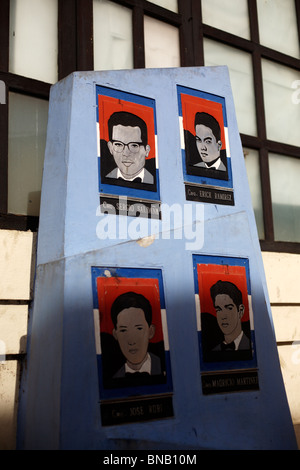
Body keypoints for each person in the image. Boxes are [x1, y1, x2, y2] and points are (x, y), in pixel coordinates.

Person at [111, 291, 162, 377]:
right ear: (115, 334)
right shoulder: (115, 377)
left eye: (139, 329)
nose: (132, 341)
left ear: (151, 331)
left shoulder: (164, 366)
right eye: (123, 330)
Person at [105, 111, 154, 184]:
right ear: (110, 147)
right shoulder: (105, 180)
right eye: (118, 144)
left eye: (134, 145)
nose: (126, 153)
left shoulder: (155, 180)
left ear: (146, 150)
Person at [210, 280, 251, 351]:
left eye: (229, 308)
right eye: (218, 310)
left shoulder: (250, 346)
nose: (223, 316)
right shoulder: (214, 351)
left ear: (240, 311)